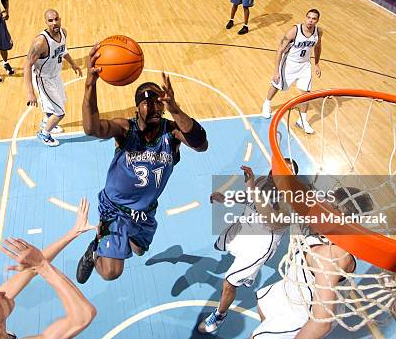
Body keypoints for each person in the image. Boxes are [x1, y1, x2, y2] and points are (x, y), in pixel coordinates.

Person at [75, 45, 208, 284]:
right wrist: (90, 85)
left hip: (145, 211)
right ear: (137, 106)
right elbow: (91, 127)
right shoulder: (126, 129)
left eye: (160, 102)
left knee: (138, 250)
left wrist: (176, 109)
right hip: (114, 208)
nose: (156, 106)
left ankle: (115, 239)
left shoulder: (171, 131)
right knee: (111, 272)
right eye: (149, 102)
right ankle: (95, 248)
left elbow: (201, 145)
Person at [0, 198, 97, 339]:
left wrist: (73, 232)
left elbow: (32, 269)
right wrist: (42, 266)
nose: (3, 292)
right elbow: (83, 316)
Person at [250, 188, 374, 339]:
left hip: (301, 316)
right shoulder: (323, 231)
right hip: (290, 292)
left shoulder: (331, 256)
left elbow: (321, 323)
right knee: (264, 311)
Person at [197, 160, 299, 334]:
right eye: (275, 169)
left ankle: (220, 315)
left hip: (259, 247)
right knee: (222, 245)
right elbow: (249, 197)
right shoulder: (260, 182)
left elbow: (272, 220)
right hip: (244, 230)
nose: (273, 174)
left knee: (229, 282)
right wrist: (226, 198)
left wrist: (251, 187)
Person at [24, 9, 83, 146]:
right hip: (43, 78)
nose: (54, 23)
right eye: (50, 20)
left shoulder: (63, 33)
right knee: (60, 112)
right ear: (46, 22)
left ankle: (47, 121)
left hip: (55, 75)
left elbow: (63, 50)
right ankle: (44, 134)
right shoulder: (40, 43)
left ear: (60, 19)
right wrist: (30, 92)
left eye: (56, 19)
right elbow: (27, 65)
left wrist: (74, 64)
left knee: (60, 101)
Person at [261, 9, 323, 134]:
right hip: (289, 63)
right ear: (305, 18)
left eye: (314, 18)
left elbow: (318, 47)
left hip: (305, 65)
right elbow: (280, 49)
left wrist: (316, 64)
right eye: (309, 17)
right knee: (277, 85)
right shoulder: (295, 30)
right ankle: (267, 103)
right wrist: (276, 71)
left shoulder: (318, 32)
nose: (310, 20)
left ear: (317, 20)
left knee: (306, 93)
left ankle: (302, 121)